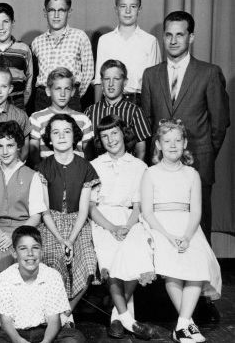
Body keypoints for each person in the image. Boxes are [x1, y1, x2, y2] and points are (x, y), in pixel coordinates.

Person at [141, 11, 230, 244]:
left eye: (179, 35)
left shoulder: (209, 73)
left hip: (199, 162)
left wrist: (205, 153)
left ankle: (200, 278)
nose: (173, 40)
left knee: (199, 229)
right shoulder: (151, 75)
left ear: (191, 37)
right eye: (168, 35)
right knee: (161, 225)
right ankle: (164, 279)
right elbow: (149, 123)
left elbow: (220, 123)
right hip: (160, 165)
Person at [140, 120, 221, 343]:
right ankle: (186, 325)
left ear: (185, 143)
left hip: (187, 227)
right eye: (167, 141)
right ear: (158, 144)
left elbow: (196, 212)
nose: (172, 145)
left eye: (177, 140)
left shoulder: (192, 174)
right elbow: (147, 212)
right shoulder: (150, 173)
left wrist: (186, 236)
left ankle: (183, 323)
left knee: (198, 264)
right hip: (160, 227)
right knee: (172, 267)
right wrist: (168, 237)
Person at [89, 115, 155, 339]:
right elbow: (91, 207)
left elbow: (139, 205)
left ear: (123, 133)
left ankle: (118, 316)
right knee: (111, 253)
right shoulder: (94, 165)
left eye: (114, 133)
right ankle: (128, 319)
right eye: (105, 136)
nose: (110, 139)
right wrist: (111, 227)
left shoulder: (139, 166)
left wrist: (127, 226)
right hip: (103, 220)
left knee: (137, 248)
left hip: (131, 219)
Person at [37, 114, 99, 326]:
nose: (61, 136)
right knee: (53, 262)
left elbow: (83, 210)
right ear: (49, 139)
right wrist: (61, 239)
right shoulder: (43, 167)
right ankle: (54, 313)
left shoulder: (85, 167)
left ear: (75, 136)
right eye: (56, 132)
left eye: (67, 131)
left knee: (89, 263)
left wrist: (71, 240)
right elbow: (44, 210)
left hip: (77, 224)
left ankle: (66, 313)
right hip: (50, 223)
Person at [0, 226, 86, 343]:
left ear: (41, 251)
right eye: (23, 248)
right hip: (14, 333)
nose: (30, 253)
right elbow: (6, 321)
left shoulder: (52, 276)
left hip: (44, 330)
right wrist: (18, 340)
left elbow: (54, 319)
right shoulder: (5, 278)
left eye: (35, 248)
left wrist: (46, 341)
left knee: (75, 338)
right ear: (14, 252)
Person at [0, 121, 47, 294]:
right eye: (0, 146)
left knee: (21, 268)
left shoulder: (32, 176)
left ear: (18, 147)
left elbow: (36, 216)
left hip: (23, 228)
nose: (4, 151)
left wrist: (13, 235)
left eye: (10, 145)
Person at [93, 0, 161, 105]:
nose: (128, 11)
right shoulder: (105, 40)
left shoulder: (150, 41)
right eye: (123, 6)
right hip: (110, 101)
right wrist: (97, 109)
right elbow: (99, 80)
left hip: (140, 101)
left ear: (139, 9)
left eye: (133, 7)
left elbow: (155, 82)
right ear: (116, 9)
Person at [32, 0, 93, 112]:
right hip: (43, 97)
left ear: (69, 12)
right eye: (51, 10)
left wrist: (73, 94)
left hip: (70, 97)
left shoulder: (80, 36)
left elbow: (88, 72)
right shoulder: (36, 42)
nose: (56, 15)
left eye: (61, 10)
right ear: (45, 12)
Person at [85, 60, 151, 160]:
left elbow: (141, 150)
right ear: (101, 81)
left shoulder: (134, 111)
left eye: (116, 79)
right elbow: (86, 148)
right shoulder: (91, 111)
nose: (111, 84)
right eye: (107, 79)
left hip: (126, 169)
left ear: (125, 82)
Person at [29, 67, 93, 164]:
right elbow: (34, 152)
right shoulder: (36, 118)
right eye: (58, 89)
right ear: (48, 91)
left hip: (76, 173)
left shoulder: (83, 119)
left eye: (67, 89)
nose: (62, 94)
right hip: (47, 174)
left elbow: (89, 154)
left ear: (72, 92)